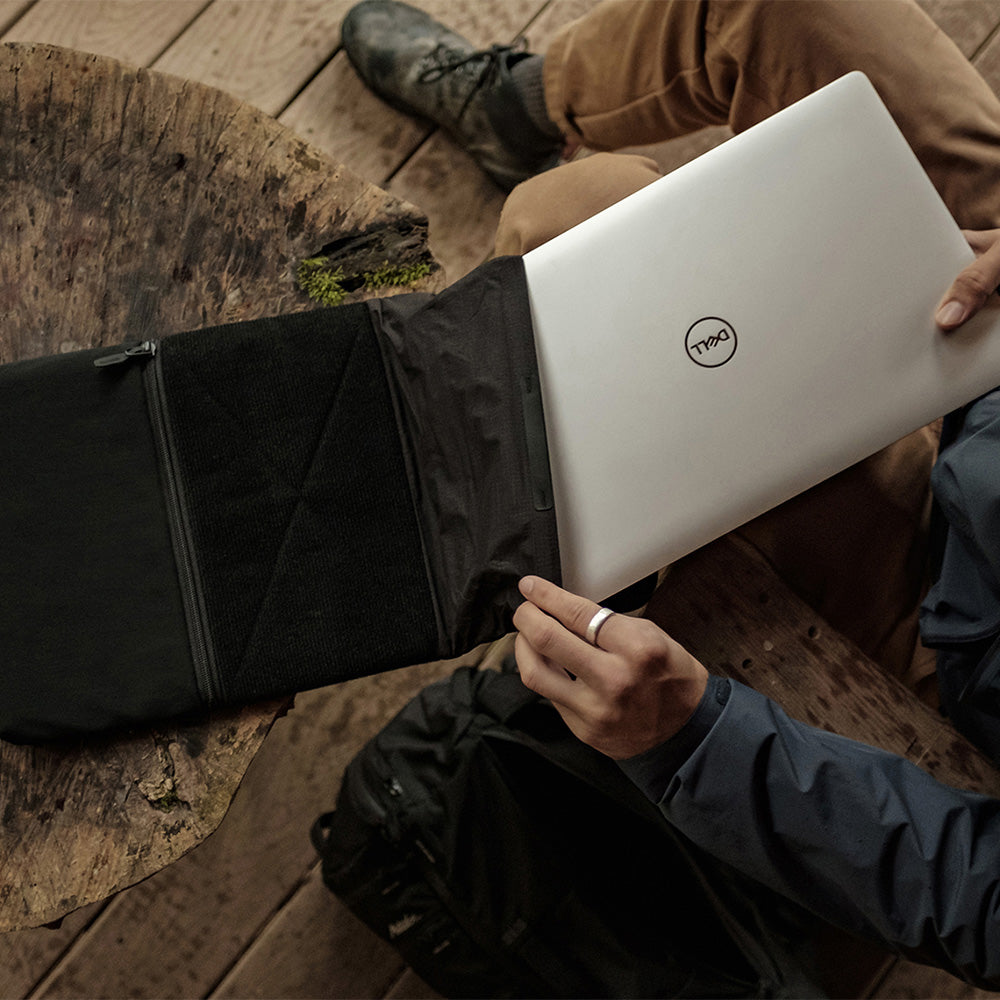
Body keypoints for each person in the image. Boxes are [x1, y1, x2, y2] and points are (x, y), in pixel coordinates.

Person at [342, 0, 1000, 987]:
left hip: (956, 620)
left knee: (558, 224)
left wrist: (694, 744)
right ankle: (521, 107)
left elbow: (969, 892)